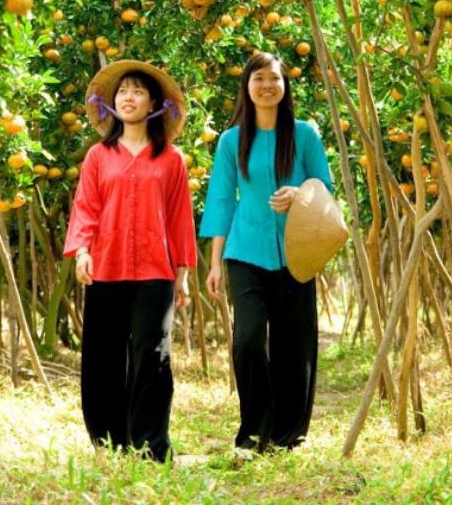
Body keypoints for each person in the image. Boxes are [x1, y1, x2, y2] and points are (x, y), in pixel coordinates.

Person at [201, 51, 334, 456]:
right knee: (248, 338)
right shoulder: (231, 140)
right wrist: (215, 263)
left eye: (274, 78)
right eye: (258, 78)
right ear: (246, 86)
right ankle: (253, 431)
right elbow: (222, 200)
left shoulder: (305, 134)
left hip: (298, 250)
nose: (266, 85)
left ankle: (287, 435)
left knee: (295, 345)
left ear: (284, 85)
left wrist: (300, 193)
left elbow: (324, 185)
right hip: (246, 252)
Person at [63, 60, 196, 462]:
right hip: (106, 267)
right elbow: (86, 207)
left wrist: (183, 274)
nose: (129, 97)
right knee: (104, 356)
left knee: (152, 356)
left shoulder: (171, 159)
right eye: (122, 91)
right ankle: (109, 441)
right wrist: (82, 250)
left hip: (155, 271)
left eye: (138, 91)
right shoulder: (97, 157)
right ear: (112, 103)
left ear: (154, 103)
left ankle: (151, 445)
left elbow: (179, 217)